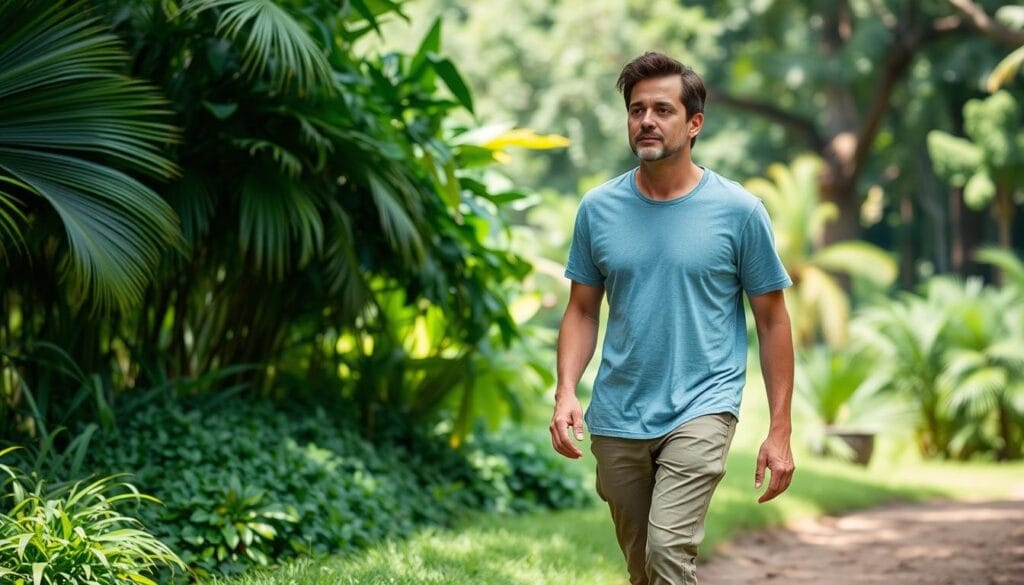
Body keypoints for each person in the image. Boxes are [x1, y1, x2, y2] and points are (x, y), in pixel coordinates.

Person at [549, 51, 796, 585]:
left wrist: (780, 429)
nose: (646, 121)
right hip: (618, 413)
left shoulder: (739, 211)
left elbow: (773, 320)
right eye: (637, 110)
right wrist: (566, 391)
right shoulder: (598, 209)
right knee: (643, 569)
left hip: (703, 405)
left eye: (663, 109)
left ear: (694, 122)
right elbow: (582, 309)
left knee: (667, 552)